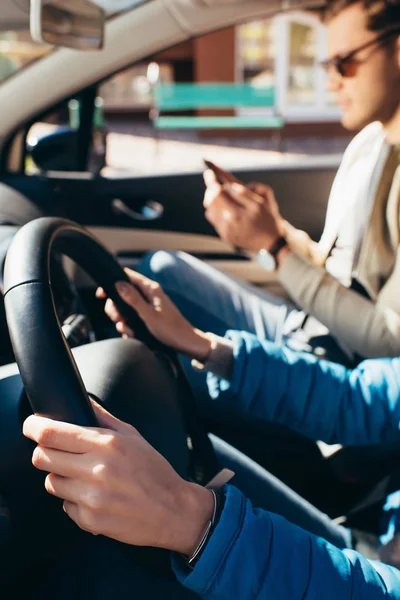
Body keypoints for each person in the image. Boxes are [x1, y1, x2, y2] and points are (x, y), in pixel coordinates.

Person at [23, 270, 400, 598]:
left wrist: (190, 521)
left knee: (87, 582)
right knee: (179, 447)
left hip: (363, 577)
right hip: (371, 547)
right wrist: (200, 344)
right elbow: (364, 398)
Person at [139, 0, 400, 369]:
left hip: (339, 368)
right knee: (159, 270)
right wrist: (270, 230)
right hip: (309, 324)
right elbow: (334, 271)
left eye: (345, 62)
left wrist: (274, 247)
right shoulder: (368, 145)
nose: (331, 80)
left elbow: (389, 341)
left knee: (140, 368)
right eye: (326, 65)